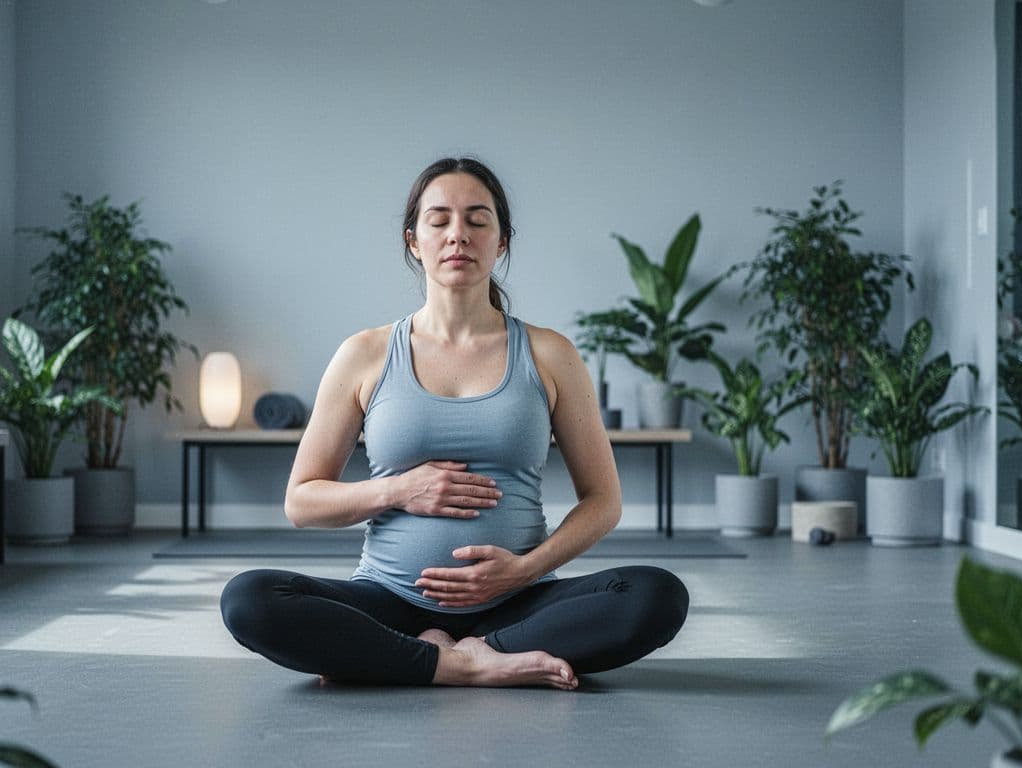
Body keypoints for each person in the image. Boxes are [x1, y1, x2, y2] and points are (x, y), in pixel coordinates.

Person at [221, 157, 688, 689]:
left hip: (518, 602)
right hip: (389, 601)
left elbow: (604, 501)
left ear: (502, 241)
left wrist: (523, 569)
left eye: (477, 219)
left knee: (657, 594)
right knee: (249, 599)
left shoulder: (550, 354)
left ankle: (449, 655)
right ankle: (465, 665)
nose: (457, 235)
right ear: (414, 241)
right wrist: (398, 490)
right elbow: (301, 501)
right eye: (439, 220)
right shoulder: (365, 354)